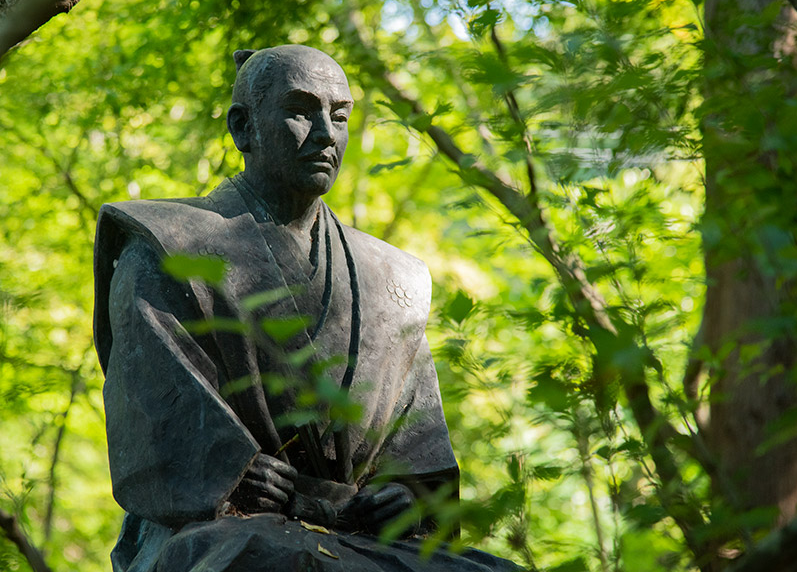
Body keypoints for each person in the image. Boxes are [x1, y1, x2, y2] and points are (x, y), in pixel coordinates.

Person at [94, 45, 522, 571]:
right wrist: (232, 472)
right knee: (255, 558)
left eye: (339, 115)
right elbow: (155, 415)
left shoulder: (390, 277)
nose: (325, 133)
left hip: (361, 532)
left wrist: (405, 498)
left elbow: (419, 455)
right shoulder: (169, 247)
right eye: (301, 110)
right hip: (225, 527)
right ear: (243, 128)